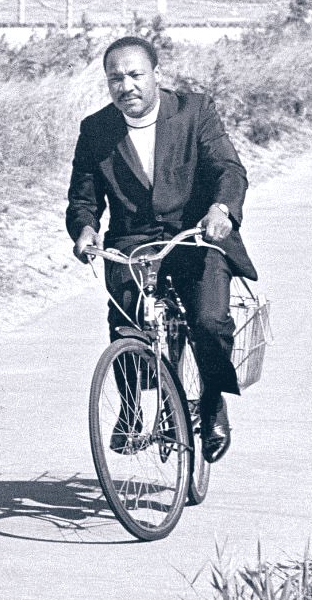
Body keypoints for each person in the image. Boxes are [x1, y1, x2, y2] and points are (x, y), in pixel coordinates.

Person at [66, 36, 257, 464]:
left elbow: (228, 168)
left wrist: (221, 209)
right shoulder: (96, 130)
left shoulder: (194, 111)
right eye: (115, 78)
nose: (126, 86)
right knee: (126, 322)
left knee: (208, 320)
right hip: (133, 240)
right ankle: (133, 411)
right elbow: (83, 196)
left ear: (156, 74)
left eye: (135, 75)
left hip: (197, 233)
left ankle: (211, 402)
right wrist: (85, 229)